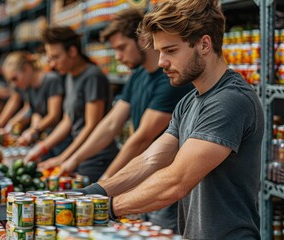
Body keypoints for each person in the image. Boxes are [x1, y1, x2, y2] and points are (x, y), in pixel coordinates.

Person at [78, 0, 264, 239]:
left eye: (171, 50)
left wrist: (108, 207)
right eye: (160, 51)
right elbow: (150, 159)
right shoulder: (189, 101)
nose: (161, 62)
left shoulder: (230, 100)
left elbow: (176, 181)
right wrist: (93, 192)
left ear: (204, 44)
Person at [51, 9, 193, 230]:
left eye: (121, 47)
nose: (117, 56)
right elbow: (109, 124)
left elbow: (141, 138)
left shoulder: (169, 81)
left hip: (162, 183)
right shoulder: (138, 74)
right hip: (137, 177)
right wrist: (72, 160)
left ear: (142, 40)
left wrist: (106, 184)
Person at [24, 26, 119, 183]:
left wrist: (63, 157)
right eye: (49, 58)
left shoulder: (92, 77)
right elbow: (68, 121)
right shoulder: (69, 76)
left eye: (55, 57)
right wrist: (42, 148)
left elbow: (91, 126)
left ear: (73, 52)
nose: (52, 64)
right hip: (79, 156)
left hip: (96, 158)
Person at [2, 51, 65, 149]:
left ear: (27, 69)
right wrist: (10, 125)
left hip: (60, 140)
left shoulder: (51, 80)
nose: (14, 84)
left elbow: (54, 116)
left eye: (15, 78)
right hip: (46, 139)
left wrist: (33, 130)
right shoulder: (28, 86)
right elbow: (31, 110)